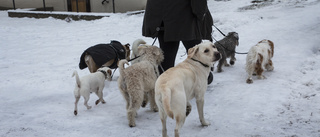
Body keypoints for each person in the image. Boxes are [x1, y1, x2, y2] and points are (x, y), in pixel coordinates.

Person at [142, 0, 214, 84]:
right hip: (186, 17)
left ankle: (164, 85)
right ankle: (205, 77)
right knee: (196, 52)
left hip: (161, 17)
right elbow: (199, 6)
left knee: (167, 56)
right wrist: (200, 14)